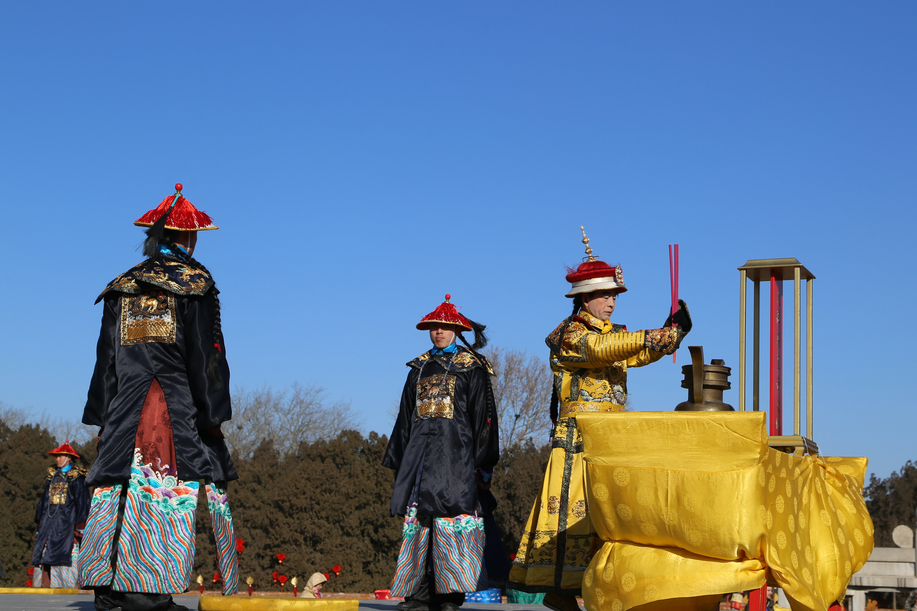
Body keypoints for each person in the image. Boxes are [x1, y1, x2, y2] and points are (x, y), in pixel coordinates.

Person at [508, 229, 691, 611]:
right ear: (585, 297)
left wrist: (672, 334)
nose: (612, 302)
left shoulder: (616, 334)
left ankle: (597, 586)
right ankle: (560, 589)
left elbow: (637, 353)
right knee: (574, 509)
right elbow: (602, 350)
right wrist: (657, 334)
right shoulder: (569, 333)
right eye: (606, 295)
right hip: (578, 438)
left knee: (607, 512)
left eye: (614, 296)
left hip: (612, 437)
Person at [78, 184, 239, 611]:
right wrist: (212, 415)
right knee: (161, 487)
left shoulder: (122, 286)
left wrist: (102, 418)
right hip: (169, 409)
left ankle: (107, 588)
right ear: (188, 237)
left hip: (123, 410)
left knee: (115, 486)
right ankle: (146, 592)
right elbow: (206, 355)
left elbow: (106, 360)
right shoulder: (194, 284)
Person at [383, 295, 500, 611]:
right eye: (434, 327)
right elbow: (405, 416)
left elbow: (484, 418)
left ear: (457, 331)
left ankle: (449, 597)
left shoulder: (471, 368)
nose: (438, 332)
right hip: (422, 460)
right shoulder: (418, 369)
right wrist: (400, 460)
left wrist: (483, 463)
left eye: (445, 327)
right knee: (421, 526)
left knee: (450, 522)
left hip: (457, 460)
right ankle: (420, 595)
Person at [31, 442, 90, 589]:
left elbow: (83, 503)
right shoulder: (51, 477)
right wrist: (40, 524)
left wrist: (80, 527)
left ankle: (67, 587)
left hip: (67, 526)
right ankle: (44, 587)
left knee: (66, 553)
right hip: (48, 524)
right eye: (56, 456)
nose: (57, 459)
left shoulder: (77, 478)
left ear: (69, 458)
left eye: (61, 456)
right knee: (43, 553)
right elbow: (43, 502)